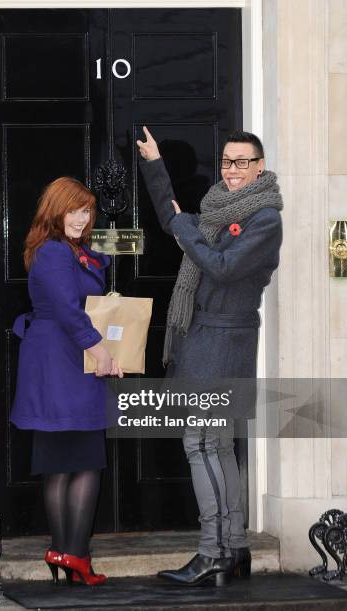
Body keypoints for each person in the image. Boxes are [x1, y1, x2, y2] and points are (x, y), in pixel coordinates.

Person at [136, 128, 283, 586]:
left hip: (225, 342)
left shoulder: (265, 219)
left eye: (242, 162)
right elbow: (173, 219)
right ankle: (234, 550)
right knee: (215, 445)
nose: (232, 170)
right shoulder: (217, 211)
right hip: (201, 339)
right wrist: (155, 163)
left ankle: (213, 552)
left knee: (201, 444)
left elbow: (221, 266)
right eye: (226, 161)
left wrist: (185, 229)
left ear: (259, 166)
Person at [10, 176, 123, 586]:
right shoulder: (54, 253)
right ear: (54, 211)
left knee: (73, 463)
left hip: (67, 364)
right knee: (73, 464)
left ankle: (68, 553)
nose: (81, 218)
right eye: (73, 210)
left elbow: (90, 284)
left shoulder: (71, 251)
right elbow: (67, 309)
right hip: (61, 365)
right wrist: (101, 350)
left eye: (87, 211)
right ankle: (72, 553)